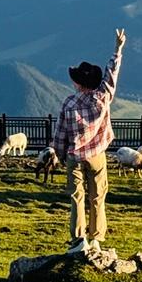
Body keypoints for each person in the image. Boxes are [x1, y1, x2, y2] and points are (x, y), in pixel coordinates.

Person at [52, 27, 126, 255]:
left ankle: (78, 239)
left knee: (77, 196)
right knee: (97, 195)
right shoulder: (103, 98)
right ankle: (96, 238)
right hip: (97, 155)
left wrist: (61, 155)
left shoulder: (69, 103)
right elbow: (111, 76)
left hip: (75, 156)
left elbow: (60, 136)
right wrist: (118, 50)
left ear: (78, 83)